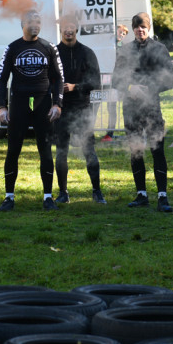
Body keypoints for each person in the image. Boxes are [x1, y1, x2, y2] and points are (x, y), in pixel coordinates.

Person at [0, 10, 64, 211]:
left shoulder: (48, 47)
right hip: (19, 102)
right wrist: (1, 106)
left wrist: (57, 103)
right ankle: (9, 197)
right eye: (31, 22)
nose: (35, 25)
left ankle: (48, 197)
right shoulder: (13, 48)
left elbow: (59, 78)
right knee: (13, 149)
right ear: (22, 23)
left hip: (43, 102)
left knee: (45, 150)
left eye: (38, 22)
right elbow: (1, 79)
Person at [112, 12, 173, 212]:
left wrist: (149, 88)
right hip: (131, 109)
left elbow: (169, 80)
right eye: (137, 27)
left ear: (149, 28)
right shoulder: (125, 51)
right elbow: (116, 80)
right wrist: (131, 88)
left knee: (157, 150)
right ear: (133, 29)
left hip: (152, 108)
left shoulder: (160, 49)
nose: (140, 30)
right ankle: (141, 194)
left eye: (144, 27)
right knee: (136, 150)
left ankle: (162, 195)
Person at [53, 16, 104, 204]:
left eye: (71, 27)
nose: (68, 30)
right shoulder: (54, 53)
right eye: (65, 27)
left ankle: (97, 191)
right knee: (61, 152)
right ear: (61, 30)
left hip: (83, 109)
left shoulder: (87, 53)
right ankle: (63, 192)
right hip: (61, 110)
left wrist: (75, 87)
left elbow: (96, 83)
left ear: (77, 29)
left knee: (89, 151)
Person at [102, 24, 129, 143]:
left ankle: (126, 132)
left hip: (120, 82)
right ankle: (108, 133)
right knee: (110, 108)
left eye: (124, 34)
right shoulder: (107, 45)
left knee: (123, 107)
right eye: (120, 32)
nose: (121, 35)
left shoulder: (124, 48)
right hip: (106, 81)